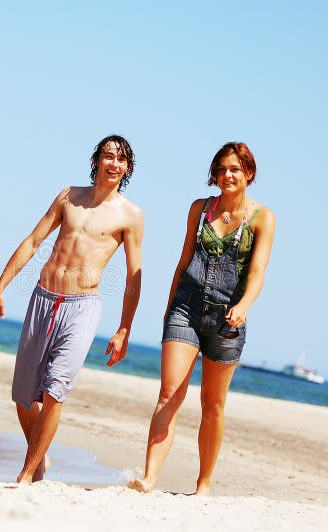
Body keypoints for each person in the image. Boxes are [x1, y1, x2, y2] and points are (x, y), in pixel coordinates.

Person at [0, 135, 144, 484]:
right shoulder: (69, 196)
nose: (113, 164)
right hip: (43, 297)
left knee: (54, 391)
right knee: (24, 398)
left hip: (82, 306)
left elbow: (135, 275)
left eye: (121, 159)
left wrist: (124, 328)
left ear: (127, 168)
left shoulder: (130, 215)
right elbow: (33, 241)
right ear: (97, 160)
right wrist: (0, 286)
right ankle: (40, 459)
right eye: (108, 156)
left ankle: (28, 474)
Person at [128, 142, 275, 495]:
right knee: (168, 393)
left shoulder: (262, 218)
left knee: (212, 405)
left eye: (235, 169)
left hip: (228, 319)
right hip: (187, 309)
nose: (227, 175)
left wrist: (245, 306)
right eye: (222, 169)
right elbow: (184, 262)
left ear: (248, 174)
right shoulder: (200, 208)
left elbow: (257, 274)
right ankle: (148, 477)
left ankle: (204, 483)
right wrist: (169, 309)